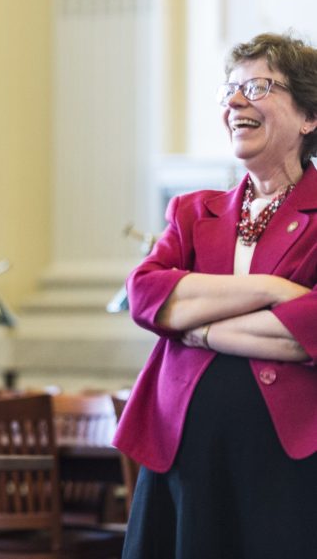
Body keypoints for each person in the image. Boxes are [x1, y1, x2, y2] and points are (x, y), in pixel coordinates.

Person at [114, 32, 317, 558]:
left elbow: (305, 334)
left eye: (257, 86)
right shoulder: (192, 211)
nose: (234, 101)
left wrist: (192, 328)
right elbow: (146, 296)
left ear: (308, 117)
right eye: (229, 89)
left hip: (286, 467)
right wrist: (271, 290)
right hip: (183, 460)